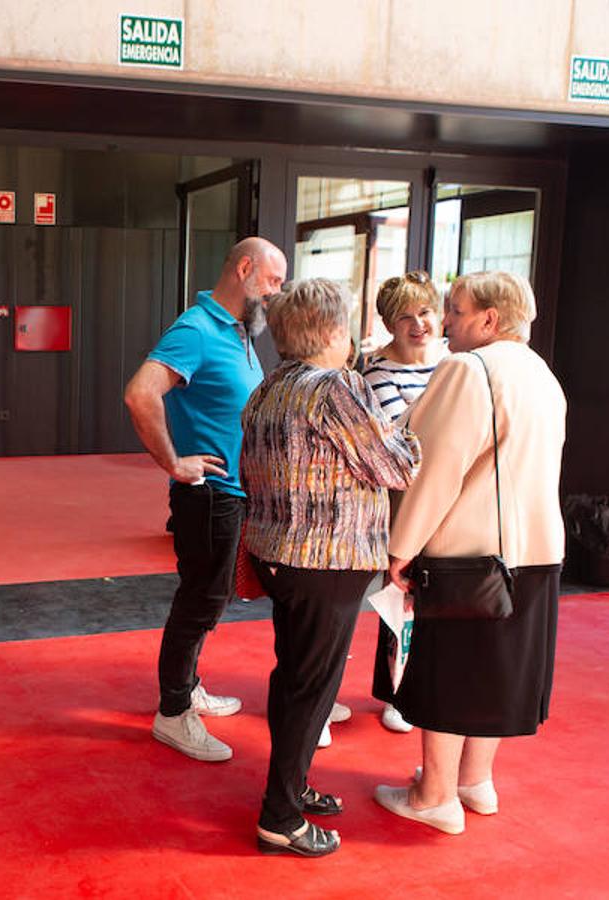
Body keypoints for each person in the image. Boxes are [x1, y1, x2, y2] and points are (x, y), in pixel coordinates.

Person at [374, 271, 566, 836]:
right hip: (536, 550)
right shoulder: (541, 374)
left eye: (455, 311)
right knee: (497, 672)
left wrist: (400, 548)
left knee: (454, 671)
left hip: (470, 555)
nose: (445, 322)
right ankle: (473, 782)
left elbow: (438, 469)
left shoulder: (469, 369)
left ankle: (433, 796)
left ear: (489, 319)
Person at [240, 278, 420, 857]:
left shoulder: (269, 388)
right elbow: (394, 466)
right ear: (334, 331)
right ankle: (281, 817)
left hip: (278, 556)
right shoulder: (336, 388)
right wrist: (412, 436)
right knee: (310, 686)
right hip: (326, 561)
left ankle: (290, 788)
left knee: (294, 678)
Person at [122, 236, 285, 762]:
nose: (278, 293)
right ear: (244, 269)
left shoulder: (239, 331)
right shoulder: (195, 328)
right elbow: (139, 392)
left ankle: (187, 687)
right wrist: (173, 462)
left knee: (209, 600)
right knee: (200, 602)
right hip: (209, 496)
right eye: (273, 281)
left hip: (232, 495)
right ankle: (173, 713)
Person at [355, 271, 450, 737]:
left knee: (441, 599)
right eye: (405, 317)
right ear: (389, 323)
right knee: (403, 596)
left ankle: (427, 686)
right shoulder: (375, 370)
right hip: (403, 499)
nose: (418, 325)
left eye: (426, 312)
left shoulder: (451, 364)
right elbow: (405, 436)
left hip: (449, 499)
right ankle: (397, 692)